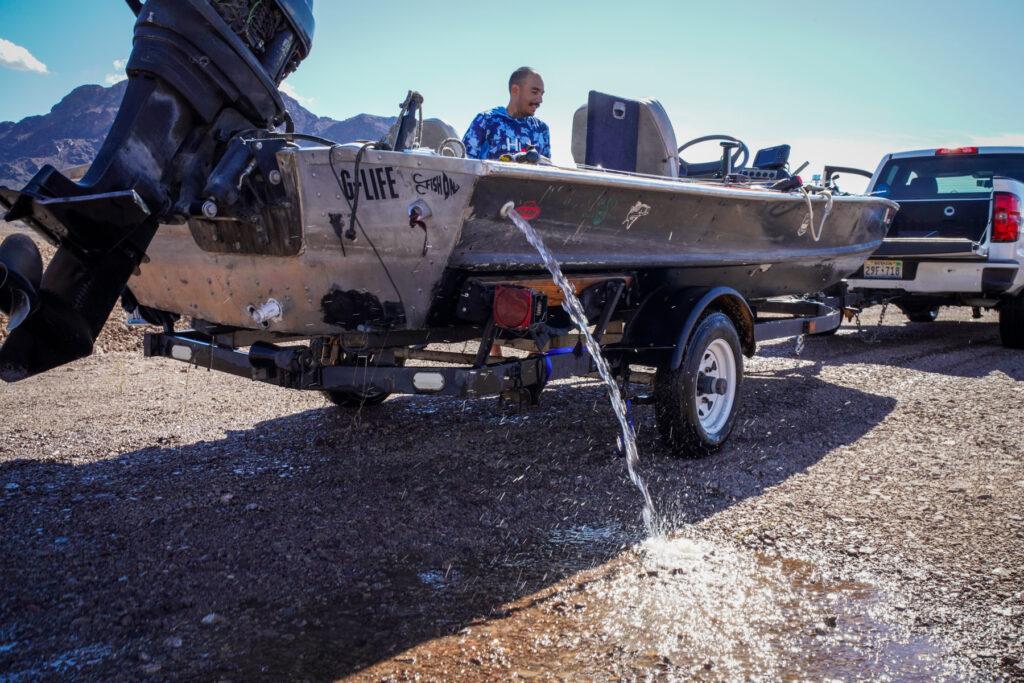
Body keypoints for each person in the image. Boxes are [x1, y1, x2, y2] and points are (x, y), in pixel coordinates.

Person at [463, 67, 551, 161]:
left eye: (541, 94)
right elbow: (464, 165)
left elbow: (546, 168)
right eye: (534, 92)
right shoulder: (486, 121)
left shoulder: (541, 129)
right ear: (515, 90)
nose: (540, 100)